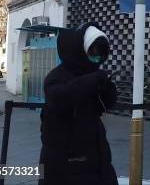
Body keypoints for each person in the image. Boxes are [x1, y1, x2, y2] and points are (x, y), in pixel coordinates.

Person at [39, 23, 118, 185]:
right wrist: (92, 80)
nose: (97, 57)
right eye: (93, 51)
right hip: (65, 161)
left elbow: (104, 105)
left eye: (100, 52)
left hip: (97, 157)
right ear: (79, 49)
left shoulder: (92, 73)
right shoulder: (56, 76)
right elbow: (60, 98)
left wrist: (107, 89)